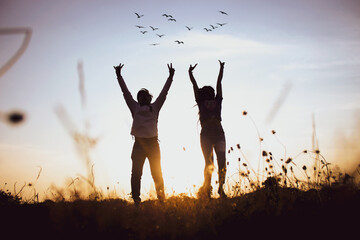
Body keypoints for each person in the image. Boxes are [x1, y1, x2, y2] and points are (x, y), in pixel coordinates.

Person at [114, 63, 175, 205]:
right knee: (136, 174)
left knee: (156, 173)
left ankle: (161, 200)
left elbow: (164, 93)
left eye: (146, 96)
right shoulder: (134, 107)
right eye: (141, 96)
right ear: (138, 99)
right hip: (139, 144)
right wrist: (119, 75)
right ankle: (136, 200)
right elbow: (125, 93)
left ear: (150, 98)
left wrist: (170, 77)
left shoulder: (155, 107)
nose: (144, 98)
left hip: (153, 144)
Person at [188, 60, 227, 198]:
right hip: (206, 135)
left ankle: (221, 188)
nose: (212, 91)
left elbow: (219, 83)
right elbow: (194, 86)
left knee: (222, 162)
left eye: (213, 91)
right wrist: (190, 74)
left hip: (218, 133)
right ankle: (207, 190)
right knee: (208, 163)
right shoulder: (201, 102)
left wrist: (221, 69)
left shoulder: (218, 100)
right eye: (209, 90)